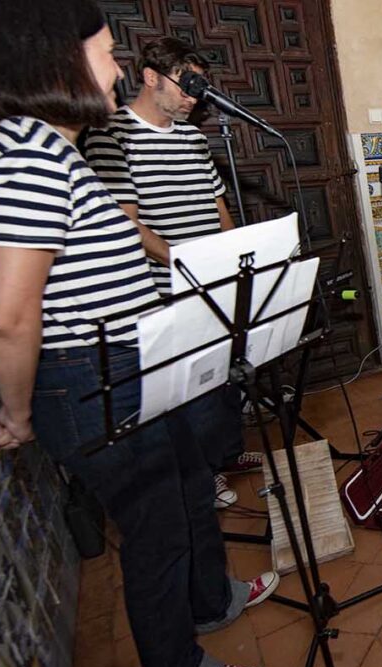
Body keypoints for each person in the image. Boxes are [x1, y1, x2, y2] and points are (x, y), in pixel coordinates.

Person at [0, 2, 272, 667]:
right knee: (155, 534)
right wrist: (16, 417)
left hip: (131, 366)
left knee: (191, 484)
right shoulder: (25, 156)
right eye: (103, 51)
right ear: (55, 58)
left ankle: (210, 600)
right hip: (88, 379)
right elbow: (10, 316)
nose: (115, 68)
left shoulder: (55, 150)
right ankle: (178, 663)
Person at [84, 36, 258, 510]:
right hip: (164, 289)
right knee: (189, 392)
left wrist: (234, 256)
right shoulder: (110, 135)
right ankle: (202, 476)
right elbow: (128, 223)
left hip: (213, 282)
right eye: (187, 84)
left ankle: (224, 454)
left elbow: (217, 204)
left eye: (200, 87)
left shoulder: (193, 137)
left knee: (222, 380)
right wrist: (184, 263)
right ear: (151, 76)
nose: (194, 96)